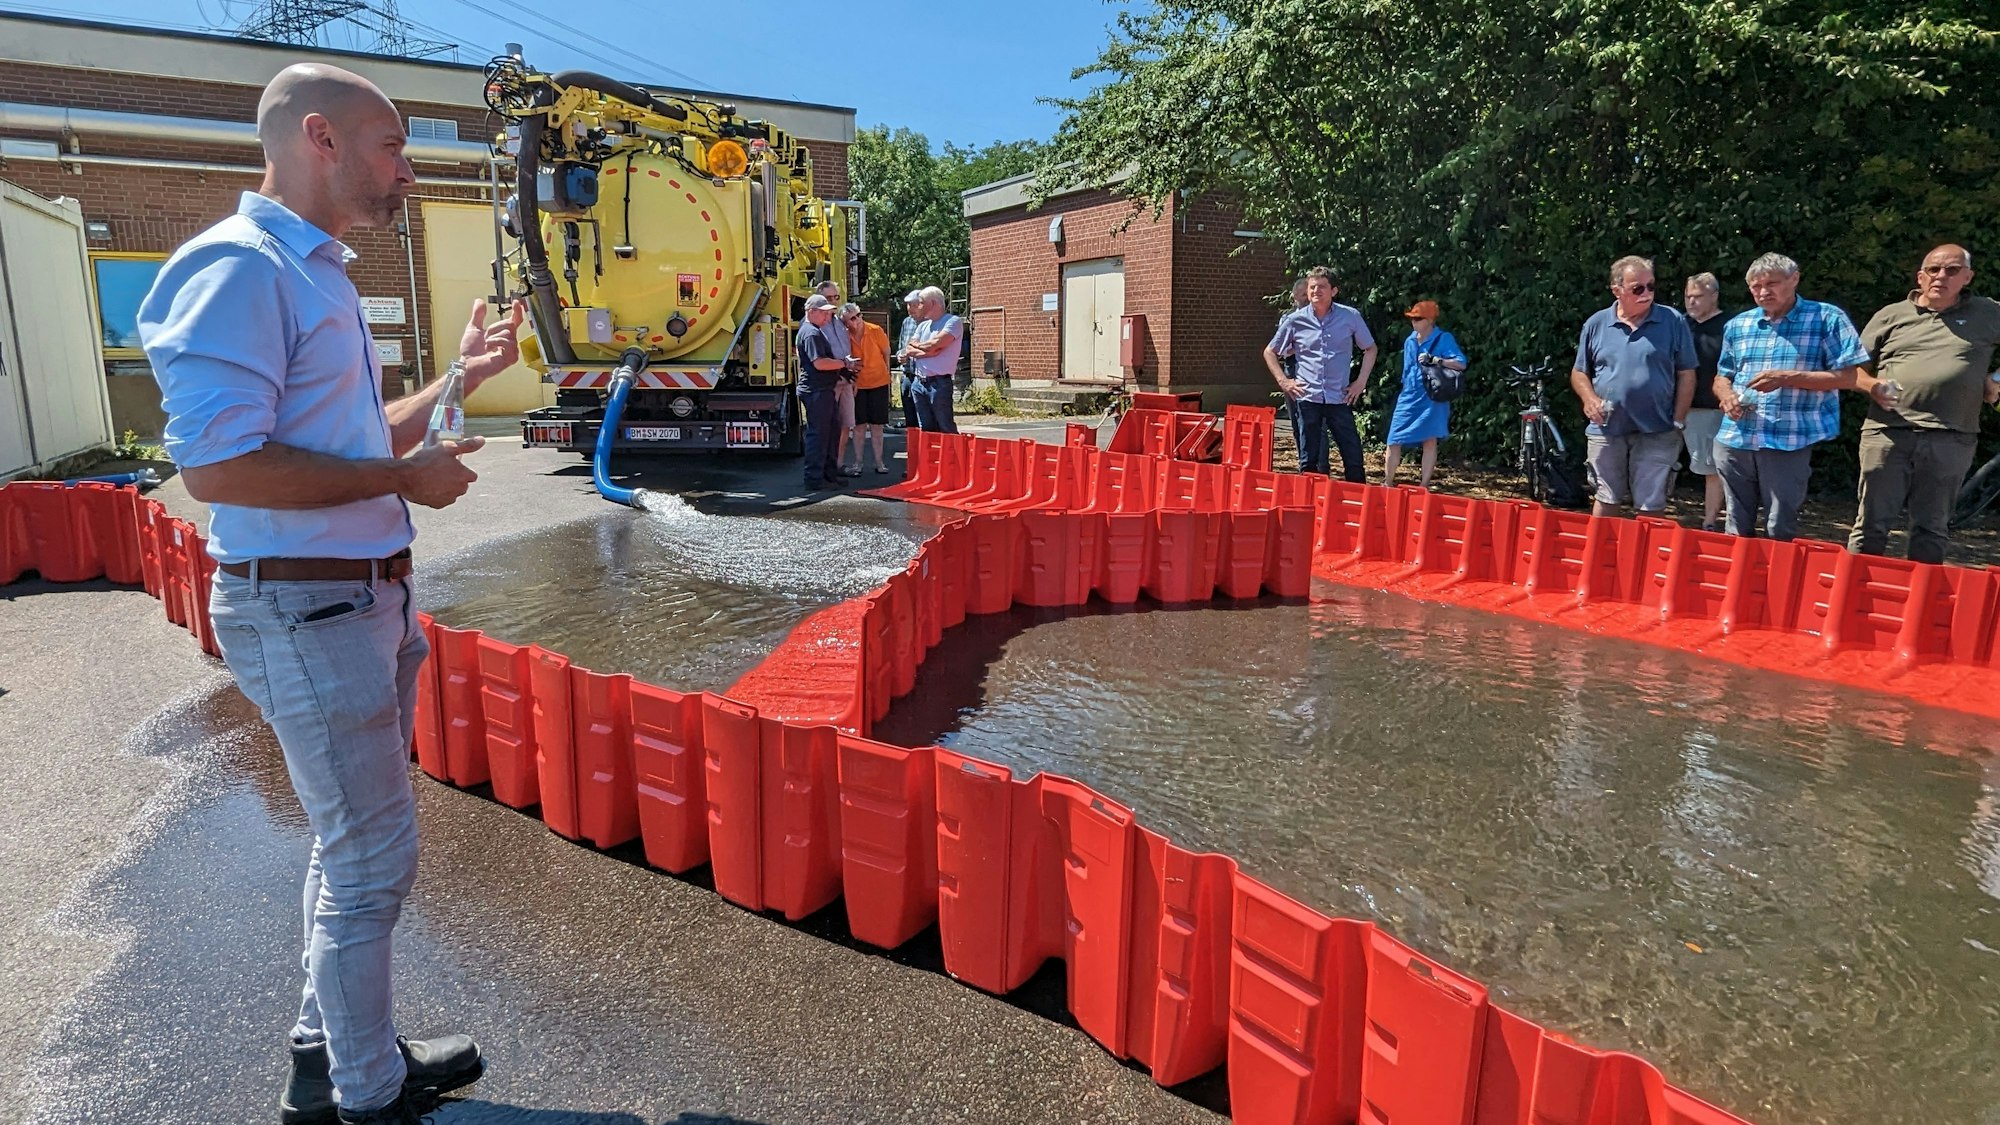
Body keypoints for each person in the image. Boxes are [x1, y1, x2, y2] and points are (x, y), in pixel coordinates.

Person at [135, 63, 511, 1125]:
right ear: (320, 139)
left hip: (356, 604)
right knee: (372, 853)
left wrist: (460, 381)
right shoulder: (240, 268)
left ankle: (330, 1053)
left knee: (353, 846)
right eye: (393, 146)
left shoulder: (315, 273)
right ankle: (364, 1093)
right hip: (307, 607)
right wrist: (405, 482)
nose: (407, 168)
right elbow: (220, 470)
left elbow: (350, 440)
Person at [1849, 244, 2000, 563]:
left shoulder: (1988, 313)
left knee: (1931, 529)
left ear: (1968, 277)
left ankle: (1920, 607)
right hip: (1887, 433)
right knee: (1870, 527)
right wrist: (1873, 385)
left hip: (1951, 437)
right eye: (1933, 269)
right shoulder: (1891, 315)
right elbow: (1850, 369)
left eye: (1952, 270)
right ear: (1920, 276)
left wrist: (1996, 379)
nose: (1941, 276)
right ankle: (1853, 604)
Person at [1713, 253, 1872, 541]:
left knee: (1779, 527)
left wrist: (1787, 378)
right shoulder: (1738, 325)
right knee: (1736, 527)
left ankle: (1775, 584)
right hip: (1735, 437)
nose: (1764, 292)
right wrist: (1725, 396)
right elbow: (1722, 375)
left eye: (1772, 283)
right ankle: (1737, 583)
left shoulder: (1826, 317)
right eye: (1756, 286)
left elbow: (1849, 378)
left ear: (1794, 279)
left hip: (1789, 438)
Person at [1571, 255, 1697, 517]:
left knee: (1651, 507)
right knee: (1606, 498)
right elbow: (1579, 372)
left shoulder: (1672, 320)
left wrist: (1678, 420)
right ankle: (1600, 557)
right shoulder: (1596, 323)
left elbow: (1687, 373)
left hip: (1659, 428)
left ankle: (1649, 559)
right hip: (1606, 428)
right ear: (1617, 290)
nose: (1647, 293)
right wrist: (1589, 399)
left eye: (1651, 286)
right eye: (1638, 288)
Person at [1263, 266, 1377, 482]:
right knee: (1309, 461)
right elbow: (1270, 351)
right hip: (1308, 397)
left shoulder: (1350, 317)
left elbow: (1370, 349)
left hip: (1339, 397)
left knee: (1353, 457)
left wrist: (1360, 382)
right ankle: (1310, 507)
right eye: (1312, 287)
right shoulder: (1295, 320)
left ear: (1333, 291)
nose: (1316, 291)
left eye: (1321, 287)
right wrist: (1284, 381)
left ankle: (1358, 506)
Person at [1383, 300, 1466, 490]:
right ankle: (1387, 483)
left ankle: (1424, 485)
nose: (1414, 322)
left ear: (1429, 320)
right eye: (1412, 318)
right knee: (1394, 438)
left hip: (1433, 395)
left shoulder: (1444, 338)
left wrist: (1437, 360)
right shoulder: (1410, 340)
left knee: (1430, 440)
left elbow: (1461, 363)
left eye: (1418, 318)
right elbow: (1407, 369)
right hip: (1409, 395)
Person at [1683, 272, 1730, 531]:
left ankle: (1709, 522)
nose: (1691, 302)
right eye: (1688, 296)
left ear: (1714, 296)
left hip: (1710, 409)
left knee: (1712, 468)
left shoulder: (1728, 327)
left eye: (1698, 296)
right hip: (1676, 407)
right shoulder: (1681, 325)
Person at [795, 293, 850, 488]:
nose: (828, 318)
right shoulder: (811, 333)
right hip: (816, 390)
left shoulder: (814, 331)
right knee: (819, 435)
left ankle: (828, 475)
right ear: (812, 311)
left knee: (829, 433)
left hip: (821, 389)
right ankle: (815, 479)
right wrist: (843, 363)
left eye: (829, 314)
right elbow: (819, 363)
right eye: (824, 313)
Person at [901, 286, 963, 433]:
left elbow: (935, 344)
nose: (919, 306)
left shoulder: (953, 321)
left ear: (933, 303)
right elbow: (909, 347)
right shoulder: (923, 325)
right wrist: (930, 352)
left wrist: (925, 348)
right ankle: (932, 456)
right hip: (919, 382)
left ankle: (952, 456)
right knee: (926, 428)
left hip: (939, 384)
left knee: (945, 426)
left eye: (921, 302)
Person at [840, 303, 893, 474]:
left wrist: (887, 373)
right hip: (858, 385)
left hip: (879, 382)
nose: (858, 320)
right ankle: (858, 463)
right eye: (853, 318)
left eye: (859, 315)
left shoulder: (875, 330)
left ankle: (879, 463)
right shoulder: (845, 336)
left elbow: (886, 352)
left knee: (877, 425)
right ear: (846, 323)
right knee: (859, 426)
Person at [1278, 276, 1309, 457]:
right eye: (1299, 296)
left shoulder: (1318, 318)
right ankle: (1301, 457)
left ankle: (1319, 466)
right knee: (1295, 418)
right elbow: (1283, 349)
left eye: (1304, 295)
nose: (1301, 300)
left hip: (1310, 369)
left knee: (1311, 419)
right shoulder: (1288, 318)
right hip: (1292, 368)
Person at [896, 290, 923, 431]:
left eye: (912, 305)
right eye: (907, 305)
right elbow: (901, 346)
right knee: (909, 415)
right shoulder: (907, 322)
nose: (909, 309)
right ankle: (913, 448)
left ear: (921, 305)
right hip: (907, 374)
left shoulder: (929, 322)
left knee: (923, 417)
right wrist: (900, 355)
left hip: (922, 376)